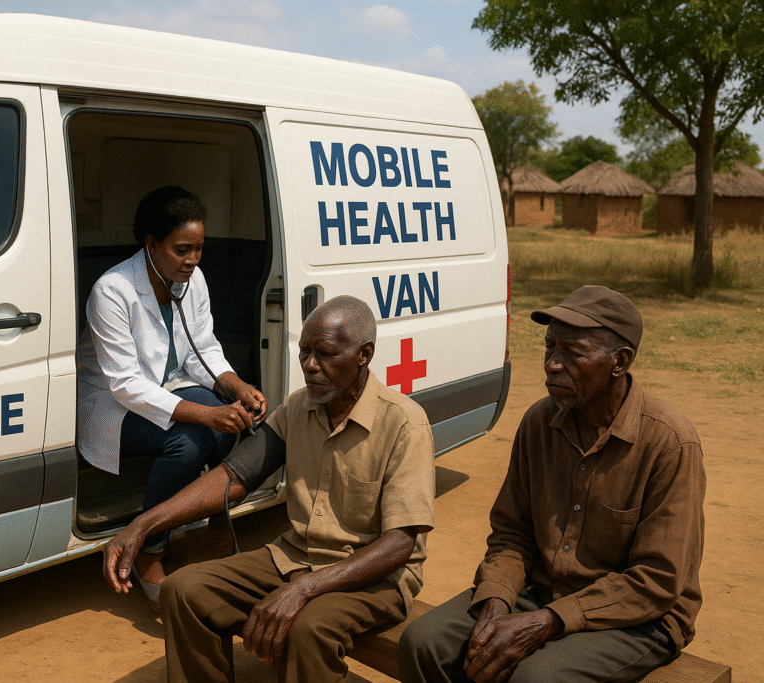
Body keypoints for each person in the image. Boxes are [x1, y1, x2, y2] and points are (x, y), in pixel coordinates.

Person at [104, 295, 435, 683]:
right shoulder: (299, 408)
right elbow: (234, 477)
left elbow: (399, 545)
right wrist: (145, 524)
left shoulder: (404, 424)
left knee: (307, 630)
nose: (310, 365)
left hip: (372, 576)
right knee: (184, 590)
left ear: (364, 355)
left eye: (326, 354)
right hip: (295, 557)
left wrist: (304, 589)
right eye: (305, 351)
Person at [399, 285, 706, 683]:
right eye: (549, 348)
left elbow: (657, 581)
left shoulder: (670, 443)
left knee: (536, 678)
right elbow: (511, 533)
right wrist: (497, 598)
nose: (553, 364)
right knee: (424, 641)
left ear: (619, 362)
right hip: (541, 590)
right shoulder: (538, 422)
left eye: (573, 353)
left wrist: (548, 621)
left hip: (638, 617)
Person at [77, 186, 267, 602]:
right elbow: (126, 384)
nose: (193, 260)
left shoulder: (190, 281)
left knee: (235, 421)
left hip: (167, 388)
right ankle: (149, 552)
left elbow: (202, 350)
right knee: (188, 442)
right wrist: (207, 414)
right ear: (151, 243)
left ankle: (208, 522)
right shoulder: (112, 291)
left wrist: (238, 387)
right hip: (111, 403)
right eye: (182, 250)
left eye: (199, 249)